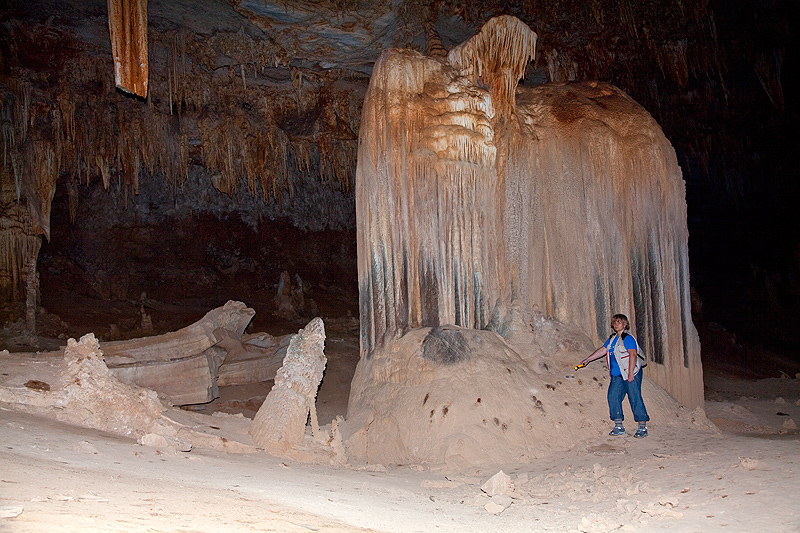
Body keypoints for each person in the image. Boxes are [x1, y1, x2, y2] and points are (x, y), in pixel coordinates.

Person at [578, 313, 649, 437]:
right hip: (617, 375)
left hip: (630, 373)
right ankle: (618, 425)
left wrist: (631, 373)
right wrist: (588, 359)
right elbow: (603, 350)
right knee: (613, 396)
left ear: (625, 324)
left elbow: (632, 354)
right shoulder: (613, 338)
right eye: (615, 322)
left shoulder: (628, 338)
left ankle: (642, 427)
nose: (616, 324)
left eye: (619, 322)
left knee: (635, 397)